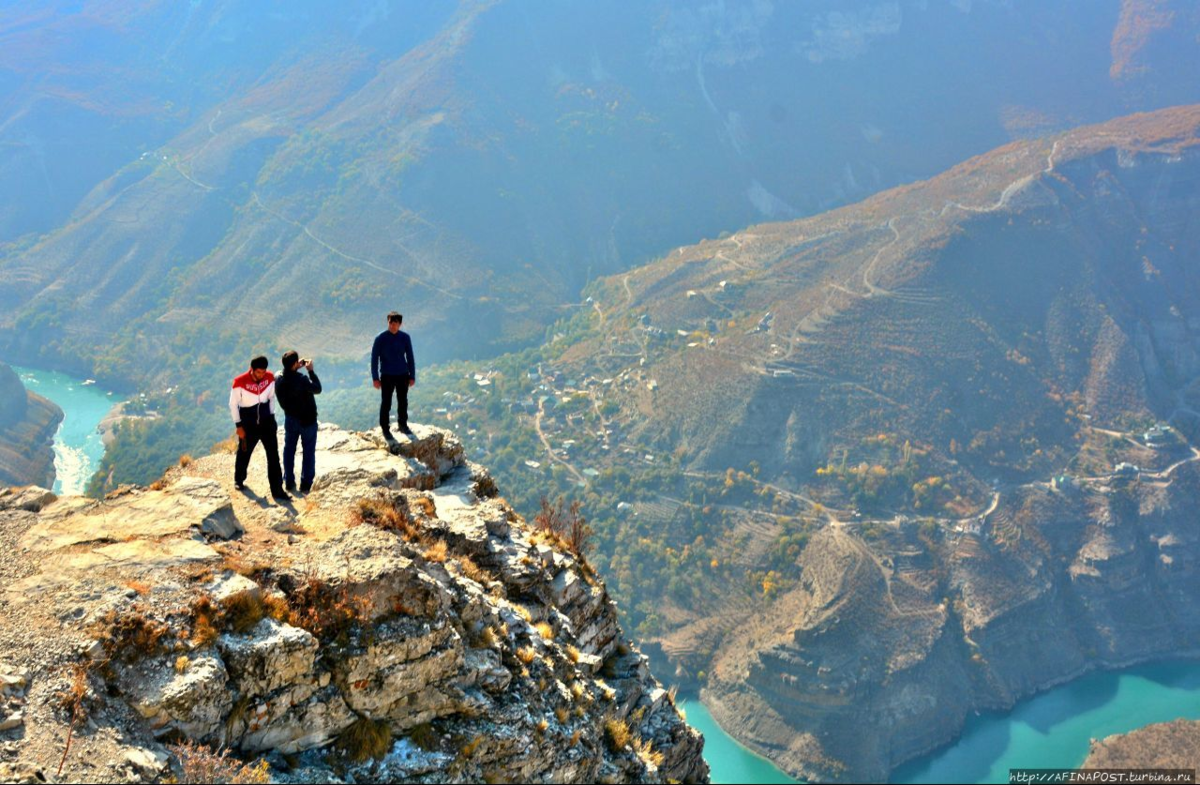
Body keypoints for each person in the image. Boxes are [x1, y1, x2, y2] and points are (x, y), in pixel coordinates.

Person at [229, 355, 290, 501]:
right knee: (244, 452)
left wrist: (272, 416)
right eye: (258, 373)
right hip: (247, 422)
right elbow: (233, 404)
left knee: (273, 456)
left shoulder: (269, 378)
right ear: (252, 370)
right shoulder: (239, 382)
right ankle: (239, 479)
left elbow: (271, 398)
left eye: (263, 372)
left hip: (266, 421)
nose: (261, 375)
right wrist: (238, 425)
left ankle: (277, 490)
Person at [275, 350, 322, 494]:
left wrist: (295, 367)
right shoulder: (302, 379)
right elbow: (317, 389)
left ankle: (289, 482)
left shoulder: (278, 378)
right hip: (307, 421)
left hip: (290, 419)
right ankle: (306, 484)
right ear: (295, 364)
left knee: (289, 450)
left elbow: (283, 373)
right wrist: (311, 371)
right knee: (308, 451)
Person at [371, 311, 416, 439]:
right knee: (386, 402)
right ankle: (385, 428)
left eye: (395, 323)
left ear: (400, 324)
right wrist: (375, 378)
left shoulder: (405, 337)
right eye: (390, 323)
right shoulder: (380, 338)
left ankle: (403, 425)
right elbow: (374, 359)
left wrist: (412, 376)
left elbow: (410, 357)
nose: (392, 325)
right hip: (387, 375)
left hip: (403, 374)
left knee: (403, 401)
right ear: (388, 322)